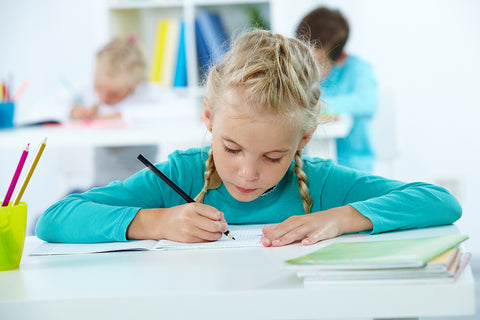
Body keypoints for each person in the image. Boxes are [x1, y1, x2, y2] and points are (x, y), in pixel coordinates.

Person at [36, 30, 461, 247]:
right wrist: (157, 222)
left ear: (303, 140)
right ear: (208, 119)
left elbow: (440, 201)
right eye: (231, 148)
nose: (247, 172)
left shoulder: (321, 183)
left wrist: (338, 218)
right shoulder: (182, 174)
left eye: (274, 156)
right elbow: (56, 219)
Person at [69, 35, 159, 187]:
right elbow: (45, 110)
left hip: (141, 191)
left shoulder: (146, 95)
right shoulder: (87, 92)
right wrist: (72, 111)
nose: (103, 97)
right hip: (99, 188)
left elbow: (183, 109)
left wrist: (121, 116)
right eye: (98, 88)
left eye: (113, 94)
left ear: (135, 85)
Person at [296, 7, 378, 173]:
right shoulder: (297, 72)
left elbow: (367, 103)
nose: (308, 65)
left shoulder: (358, 69)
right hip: (309, 166)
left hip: (352, 165)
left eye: (317, 61)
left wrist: (316, 106)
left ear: (338, 57)